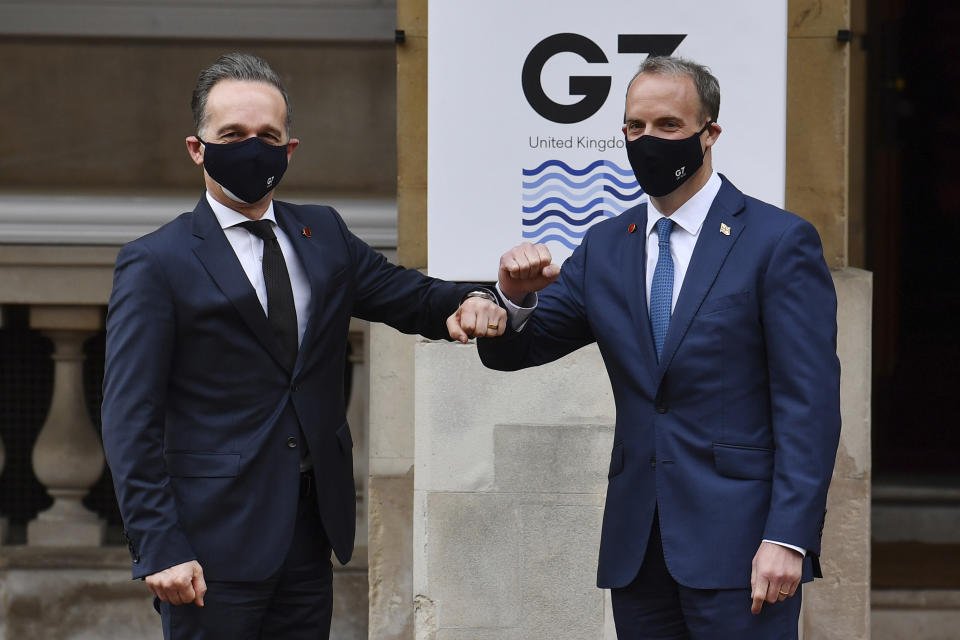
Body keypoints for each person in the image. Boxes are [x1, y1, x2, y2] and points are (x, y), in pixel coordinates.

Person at [101, 52, 503, 640]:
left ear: (288, 150)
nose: (252, 148)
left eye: (268, 135)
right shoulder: (155, 262)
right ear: (197, 148)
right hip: (210, 546)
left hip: (309, 533)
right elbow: (127, 417)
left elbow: (412, 297)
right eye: (232, 135)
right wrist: (158, 546)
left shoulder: (324, 235)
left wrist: (485, 297)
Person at [478, 56, 841, 638]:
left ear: (709, 133)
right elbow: (516, 350)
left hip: (744, 550)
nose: (648, 141)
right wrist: (513, 299)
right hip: (638, 552)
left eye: (668, 126)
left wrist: (788, 537)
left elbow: (810, 407)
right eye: (635, 128)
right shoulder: (605, 246)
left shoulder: (777, 242)